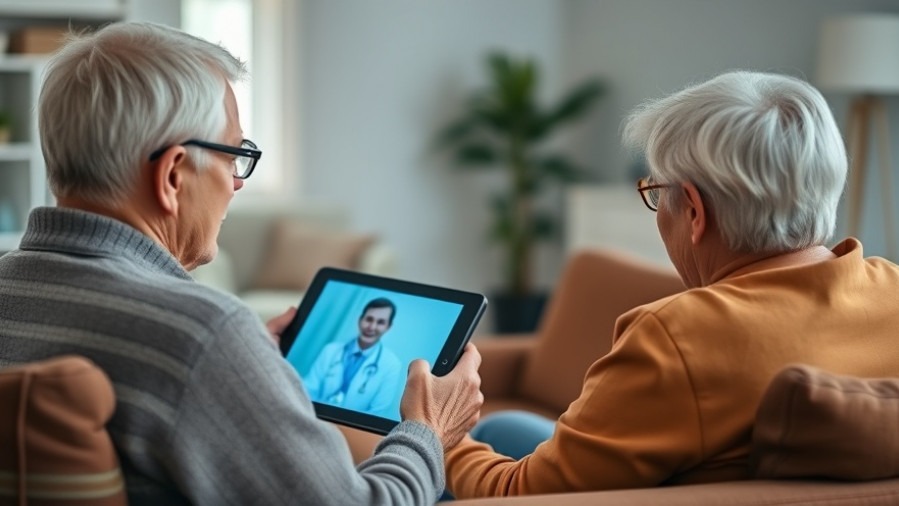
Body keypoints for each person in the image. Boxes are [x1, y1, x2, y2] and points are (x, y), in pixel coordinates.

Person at [0, 21, 483, 505]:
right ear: (172, 175)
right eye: (234, 156)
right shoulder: (199, 334)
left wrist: (242, 376)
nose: (237, 183)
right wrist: (428, 430)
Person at [445, 70, 899, 498]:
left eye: (658, 194)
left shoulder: (676, 337)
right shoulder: (891, 287)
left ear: (696, 214)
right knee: (504, 429)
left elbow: (519, 495)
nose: (658, 208)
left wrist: (436, 435)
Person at [304, 297, 404, 417]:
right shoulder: (330, 350)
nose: (371, 327)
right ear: (360, 320)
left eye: (380, 322)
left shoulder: (392, 365)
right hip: (314, 417)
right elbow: (308, 390)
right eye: (369, 319)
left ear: (388, 327)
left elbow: (377, 413)